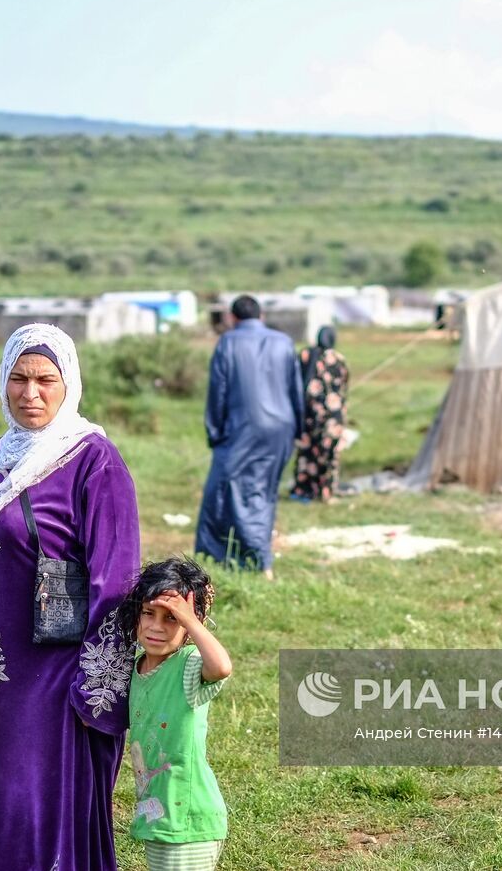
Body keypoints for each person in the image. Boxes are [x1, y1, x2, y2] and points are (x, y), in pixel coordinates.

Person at [0, 323, 140, 871]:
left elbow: (115, 583)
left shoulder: (95, 461)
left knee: (32, 810)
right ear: (3, 382)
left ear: (68, 382)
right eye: (19, 379)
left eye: (46, 379)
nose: (31, 393)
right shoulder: (2, 454)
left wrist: (98, 696)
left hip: (54, 680)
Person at [120, 558, 232, 871]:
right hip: (158, 814)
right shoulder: (137, 667)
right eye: (148, 613)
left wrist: (192, 622)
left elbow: (221, 667)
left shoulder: (188, 664)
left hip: (189, 818)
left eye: (171, 618)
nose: (157, 626)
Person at [195, 295, 304, 577]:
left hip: (243, 428)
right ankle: (247, 555)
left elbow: (218, 391)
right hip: (281, 429)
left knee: (229, 493)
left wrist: (215, 432)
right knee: (263, 492)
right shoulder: (284, 341)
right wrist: (300, 429)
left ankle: (253, 559)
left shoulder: (228, 342)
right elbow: (296, 390)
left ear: (232, 318)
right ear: (261, 315)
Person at [290, 325, 350, 502]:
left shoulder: (307, 355)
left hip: (310, 414)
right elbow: (344, 386)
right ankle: (326, 490)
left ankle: (305, 488)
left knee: (308, 452)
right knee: (329, 454)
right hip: (333, 415)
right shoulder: (339, 359)